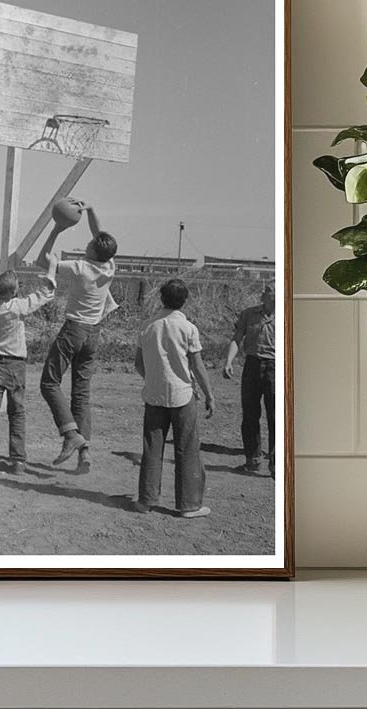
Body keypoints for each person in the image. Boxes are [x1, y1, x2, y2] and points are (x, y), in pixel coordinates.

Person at [34, 199, 118, 471]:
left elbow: (40, 260)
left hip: (73, 330)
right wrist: (92, 209)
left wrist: (57, 229)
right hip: (93, 334)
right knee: (81, 394)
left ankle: (71, 434)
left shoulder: (79, 267)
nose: (87, 243)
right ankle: (85, 452)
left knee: (49, 383)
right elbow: (100, 236)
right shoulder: (108, 267)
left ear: (92, 250)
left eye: (90, 244)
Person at [131, 278, 214, 518]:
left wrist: (153, 379)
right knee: (187, 449)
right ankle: (189, 505)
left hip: (154, 395)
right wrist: (209, 395)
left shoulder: (148, 326)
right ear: (185, 301)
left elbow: (138, 363)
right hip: (182, 395)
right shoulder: (188, 328)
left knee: (151, 449)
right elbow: (197, 367)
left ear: (161, 298)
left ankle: (146, 501)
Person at [0, 254, 59, 474]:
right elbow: (43, 295)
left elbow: (5, 300)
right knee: (17, 411)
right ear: (12, 292)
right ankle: (18, 460)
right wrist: (51, 272)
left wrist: (12, 290)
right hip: (15, 364)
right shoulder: (16, 307)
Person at [223, 283, 276, 477]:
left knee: (275, 417)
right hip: (252, 366)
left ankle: (276, 464)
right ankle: (252, 460)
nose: (275, 297)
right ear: (264, 296)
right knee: (250, 415)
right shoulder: (249, 314)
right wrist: (228, 361)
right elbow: (237, 338)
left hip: (275, 367)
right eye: (272, 293)